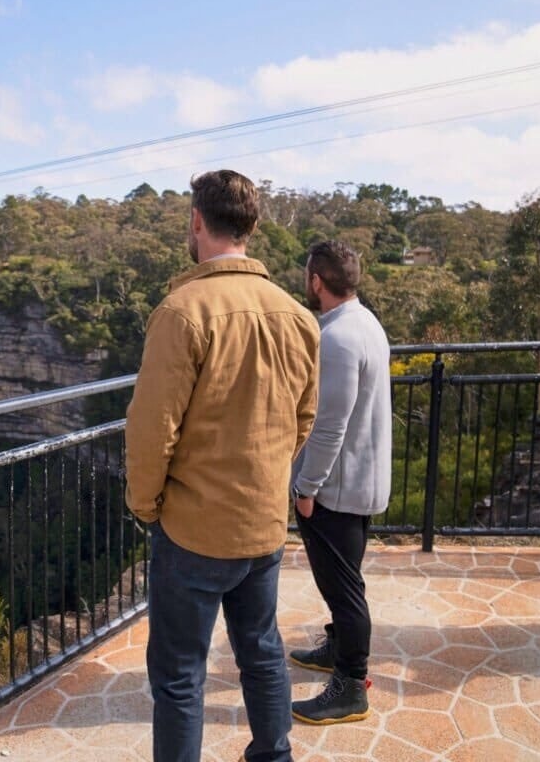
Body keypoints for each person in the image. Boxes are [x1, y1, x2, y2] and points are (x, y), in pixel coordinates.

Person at [125, 169, 320, 762]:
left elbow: (152, 429)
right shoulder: (297, 316)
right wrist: (267, 479)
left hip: (194, 531)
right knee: (261, 651)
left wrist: (147, 505)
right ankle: (274, 755)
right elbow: (304, 417)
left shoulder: (182, 313)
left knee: (180, 675)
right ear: (252, 226)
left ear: (197, 222)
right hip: (263, 526)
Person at [288, 239, 392, 725]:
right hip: (358, 480)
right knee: (343, 580)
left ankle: (351, 686)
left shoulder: (337, 338)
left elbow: (329, 425)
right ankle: (337, 649)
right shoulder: (366, 323)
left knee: (345, 589)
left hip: (336, 489)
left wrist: (307, 486)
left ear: (316, 280)